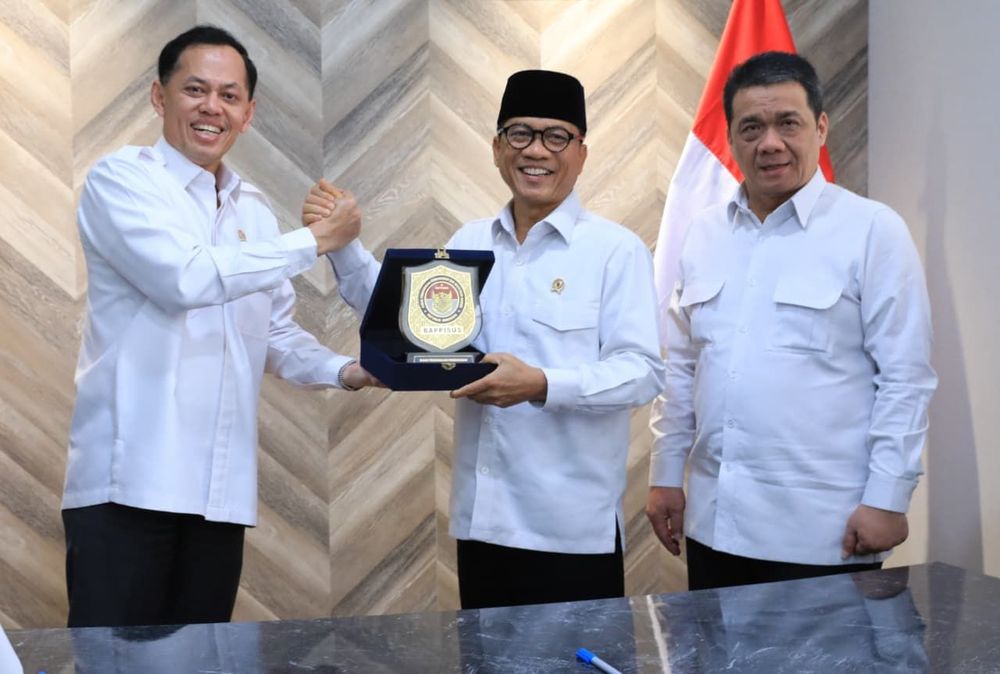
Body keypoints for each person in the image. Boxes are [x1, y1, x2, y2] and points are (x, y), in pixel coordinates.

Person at [304, 70, 665, 609]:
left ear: (581, 153)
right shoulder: (470, 241)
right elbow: (409, 322)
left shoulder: (616, 251)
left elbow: (642, 372)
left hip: (569, 531)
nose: (536, 150)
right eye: (519, 133)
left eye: (556, 136)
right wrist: (342, 246)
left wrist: (541, 384)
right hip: (482, 524)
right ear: (497, 149)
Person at [62, 25, 379, 628]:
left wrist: (346, 370)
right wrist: (316, 239)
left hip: (220, 495)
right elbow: (184, 279)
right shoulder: (121, 181)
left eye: (229, 96)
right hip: (128, 488)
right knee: (112, 665)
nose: (213, 107)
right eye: (195, 90)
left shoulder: (252, 208)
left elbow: (273, 333)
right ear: (159, 97)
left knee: (204, 662)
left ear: (248, 114)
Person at [646, 51, 937, 590]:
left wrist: (888, 499)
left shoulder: (872, 230)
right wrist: (665, 474)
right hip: (714, 525)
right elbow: (682, 367)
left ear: (820, 128)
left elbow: (905, 378)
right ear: (730, 138)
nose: (770, 143)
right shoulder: (705, 233)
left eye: (788, 123)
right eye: (751, 128)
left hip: (823, 535)